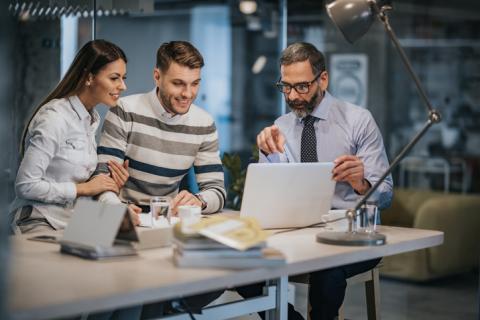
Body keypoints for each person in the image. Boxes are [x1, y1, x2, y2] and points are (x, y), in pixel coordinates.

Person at [253, 42, 393, 319]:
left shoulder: (358, 121)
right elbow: (269, 196)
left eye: (302, 86)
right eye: (286, 87)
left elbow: (386, 195)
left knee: (327, 267)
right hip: (297, 234)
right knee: (242, 266)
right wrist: (268, 157)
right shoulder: (280, 126)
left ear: (323, 79)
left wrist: (361, 183)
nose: (293, 96)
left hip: (350, 236)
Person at [94, 40, 226, 318]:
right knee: (118, 308)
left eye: (195, 84)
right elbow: (102, 179)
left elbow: (217, 191)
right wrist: (118, 212)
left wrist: (199, 201)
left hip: (164, 226)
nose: (188, 94)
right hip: (123, 224)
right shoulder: (125, 110)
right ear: (157, 76)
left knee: (222, 271)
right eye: (178, 83)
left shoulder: (204, 124)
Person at [9, 39, 134, 235]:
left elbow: (81, 181)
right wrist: (84, 189)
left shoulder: (90, 119)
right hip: (38, 220)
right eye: (114, 78)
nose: (123, 86)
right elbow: (25, 186)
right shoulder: (55, 118)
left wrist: (110, 184)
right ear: (89, 77)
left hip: (72, 221)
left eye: (123, 78)